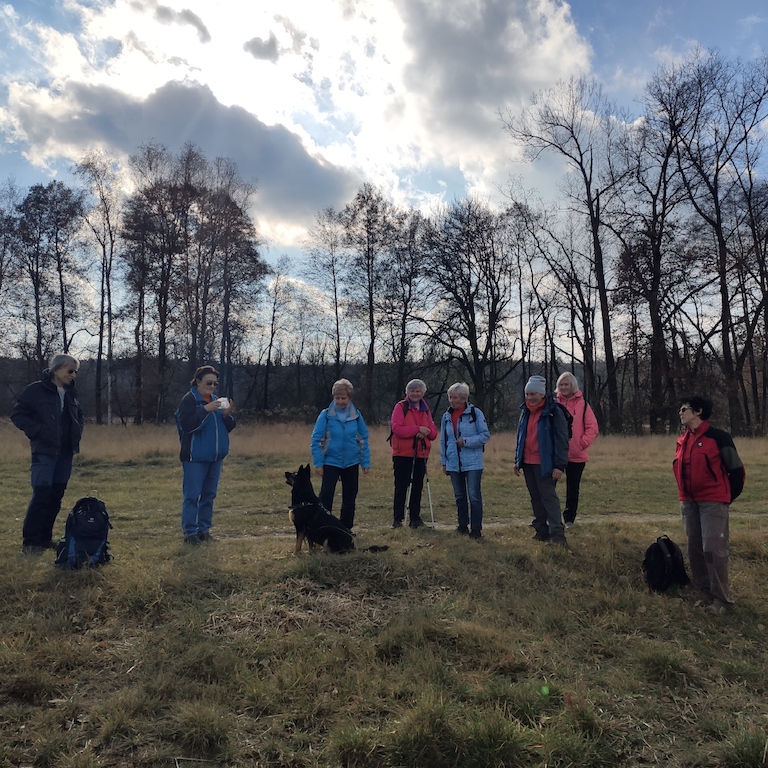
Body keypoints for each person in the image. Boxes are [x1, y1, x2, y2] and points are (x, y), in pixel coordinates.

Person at [673, 396, 744, 614]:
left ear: (698, 411)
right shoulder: (682, 440)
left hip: (713, 502)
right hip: (688, 502)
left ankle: (722, 601)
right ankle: (701, 587)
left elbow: (737, 471)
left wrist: (724, 497)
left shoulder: (718, 437)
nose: (681, 413)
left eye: (684, 409)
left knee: (713, 549)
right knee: (694, 547)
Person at [12, 354, 85, 555]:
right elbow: (18, 415)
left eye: (75, 371)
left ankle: (45, 539)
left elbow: (79, 416)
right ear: (56, 370)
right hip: (44, 452)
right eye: (70, 371)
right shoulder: (35, 391)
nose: (73, 375)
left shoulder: (71, 392)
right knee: (41, 496)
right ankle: (30, 543)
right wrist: (39, 431)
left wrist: (77, 432)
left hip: (65, 452)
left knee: (56, 496)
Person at [176, 365, 235, 545]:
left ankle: (204, 531)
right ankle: (190, 534)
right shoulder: (190, 400)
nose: (212, 387)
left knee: (209, 495)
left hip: (215, 457)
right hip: (195, 457)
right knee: (192, 496)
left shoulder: (216, 400)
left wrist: (226, 415)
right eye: (209, 382)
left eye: (215, 384)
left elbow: (229, 427)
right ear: (198, 381)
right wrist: (205, 410)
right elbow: (187, 426)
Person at [514, 375, 570, 546]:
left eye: (533, 394)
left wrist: (559, 466)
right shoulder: (524, 412)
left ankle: (557, 535)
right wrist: (517, 461)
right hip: (528, 462)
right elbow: (521, 437)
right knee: (535, 498)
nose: (530, 398)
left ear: (542, 394)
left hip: (545, 464)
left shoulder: (554, 412)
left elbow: (562, 440)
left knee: (548, 498)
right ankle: (541, 529)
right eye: (527, 394)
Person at [310, 378, 371, 529]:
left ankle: (346, 529)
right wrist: (318, 463)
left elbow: (363, 439)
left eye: (344, 398)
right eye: (337, 398)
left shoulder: (356, 416)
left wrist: (365, 462)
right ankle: (323, 528)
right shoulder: (325, 415)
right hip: (331, 462)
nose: (340, 401)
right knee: (326, 497)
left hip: (351, 462)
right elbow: (316, 440)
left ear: (350, 398)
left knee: (350, 497)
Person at [439, 382, 490, 539]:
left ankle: (476, 530)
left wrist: (466, 441)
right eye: (450, 397)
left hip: (473, 463)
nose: (452, 401)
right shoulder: (446, 416)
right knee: (459, 496)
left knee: (474, 496)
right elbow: (443, 440)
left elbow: (485, 436)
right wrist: (444, 461)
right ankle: (462, 526)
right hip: (453, 463)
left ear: (464, 398)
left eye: (455, 398)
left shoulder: (476, 414)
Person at [390, 379, 438, 529]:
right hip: (402, 453)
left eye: (418, 391)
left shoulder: (426, 409)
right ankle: (398, 520)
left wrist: (426, 432)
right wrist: (418, 429)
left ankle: (415, 519)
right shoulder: (400, 407)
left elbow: (433, 433)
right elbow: (397, 428)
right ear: (407, 392)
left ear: (423, 393)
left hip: (421, 453)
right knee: (401, 486)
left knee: (417, 487)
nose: (415, 393)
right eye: (412, 391)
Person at [555, 372, 599, 527]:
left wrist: (582, 443)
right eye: (561, 384)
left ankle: (569, 520)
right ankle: (551, 518)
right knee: (549, 487)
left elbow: (592, 427)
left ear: (573, 385)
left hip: (576, 455)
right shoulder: (554, 404)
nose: (563, 387)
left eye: (566, 384)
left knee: (572, 490)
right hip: (556, 455)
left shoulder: (583, 404)